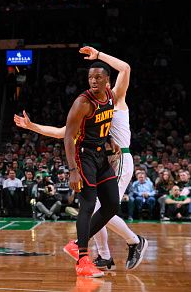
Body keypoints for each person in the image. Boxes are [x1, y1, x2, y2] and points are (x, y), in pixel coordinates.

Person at [15, 47, 147, 273]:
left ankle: (134, 241)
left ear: (107, 81)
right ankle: (104, 256)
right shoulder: (87, 106)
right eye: (90, 77)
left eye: (99, 77)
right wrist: (32, 126)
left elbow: (125, 68)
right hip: (99, 155)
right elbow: (62, 132)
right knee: (97, 206)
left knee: (104, 207)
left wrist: (98, 55)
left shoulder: (117, 98)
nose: (94, 81)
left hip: (120, 156)